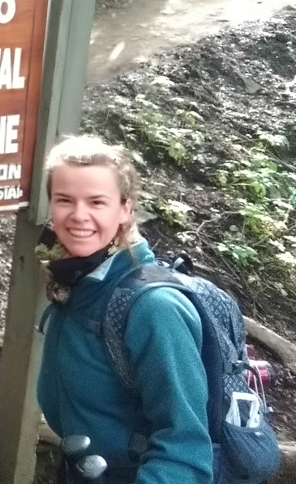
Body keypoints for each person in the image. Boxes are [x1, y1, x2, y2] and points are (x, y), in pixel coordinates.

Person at [35, 135, 213, 484]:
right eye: (64, 200)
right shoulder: (79, 282)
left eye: (97, 202)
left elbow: (187, 454)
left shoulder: (154, 309)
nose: (78, 215)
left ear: (125, 209)